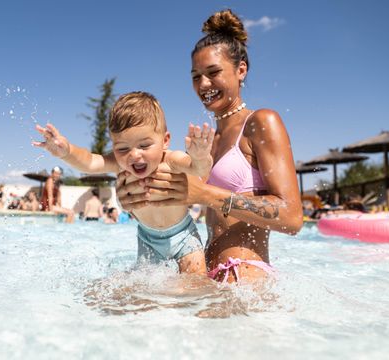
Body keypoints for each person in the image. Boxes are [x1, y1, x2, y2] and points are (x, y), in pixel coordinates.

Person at [117, 10, 303, 283]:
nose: (203, 84)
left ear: (241, 70)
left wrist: (205, 194)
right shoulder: (205, 144)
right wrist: (131, 200)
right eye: (195, 76)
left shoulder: (261, 122)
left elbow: (292, 217)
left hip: (244, 279)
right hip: (206, 277)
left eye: (213, 72)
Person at [33, 91, 215, 274]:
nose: (134, 155)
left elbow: (199, 169)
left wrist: (200, 157)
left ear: (165, 141)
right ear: (114, 147)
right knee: (144, 295)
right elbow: (89, 162)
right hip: (148, 239)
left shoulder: (171, 160)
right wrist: (67, 151)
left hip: (183, 235)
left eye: (144, 145)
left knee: (195, 285)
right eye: (123, 148)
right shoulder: (120, 165)